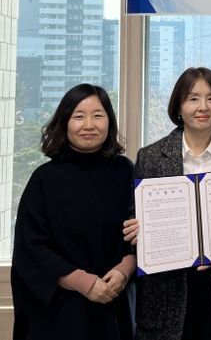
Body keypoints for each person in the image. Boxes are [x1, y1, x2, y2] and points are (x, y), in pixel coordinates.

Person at [123, 67, 211, 340]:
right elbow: (135, 219)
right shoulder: (151, 157)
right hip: (166, 294)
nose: (202, 107)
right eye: (193, 98)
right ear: (179, 106)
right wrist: (136, 231)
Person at [11, 84, 134, 340]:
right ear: (64, 122)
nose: (89, 125)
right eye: (79, 116)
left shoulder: (125, 172)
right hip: (60, 311)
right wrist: (84, 283)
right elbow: (30, 248)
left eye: (98, 115)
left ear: (109, 122)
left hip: (115, 301)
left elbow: (145, 230)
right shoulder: (44, 179)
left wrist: (125, 270)